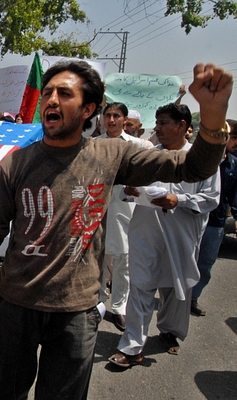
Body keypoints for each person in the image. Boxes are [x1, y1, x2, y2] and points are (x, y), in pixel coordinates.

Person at [0, 61, 232, 399]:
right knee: (8, 392)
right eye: (47, 92)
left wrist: (212, 115)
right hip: (15, 307)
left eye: (64, 94)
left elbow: (193, 167)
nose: (51, 99)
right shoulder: (15, 164)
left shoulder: (111, 155)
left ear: (88, 109)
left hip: (76, 313)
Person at [109, 103, 220, 368]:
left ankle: (170, 330)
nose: (157, 128)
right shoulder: (147, 156)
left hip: (181, 236)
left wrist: (177, 200)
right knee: (141, 287)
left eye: (163, 123)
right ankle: (132, 346)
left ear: (182, 126)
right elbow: (125, 190)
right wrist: (132, 190)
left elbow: (210, 198)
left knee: (175, 288)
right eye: (156, 122)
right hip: (145, 232)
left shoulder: (201, 159)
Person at [95, 102, 154, 332]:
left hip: (124, 209)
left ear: (124, 119)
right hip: (97, 208)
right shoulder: (94, 145)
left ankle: (119, 307)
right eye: (107, 115)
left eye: (116, 116)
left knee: (123, 260)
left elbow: (150, 167)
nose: (111, 120)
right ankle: (98, 301)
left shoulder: (138, 146)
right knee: (96, 257)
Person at [190, 119, 237, 316]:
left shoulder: (233, 164)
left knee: (206, 263)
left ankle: (192, 299)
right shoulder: (197, 158)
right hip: (191, 219)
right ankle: (176, 299)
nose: (233, 141)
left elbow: (234, 194)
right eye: (232, 137)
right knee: (185, 261)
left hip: (215, 223)